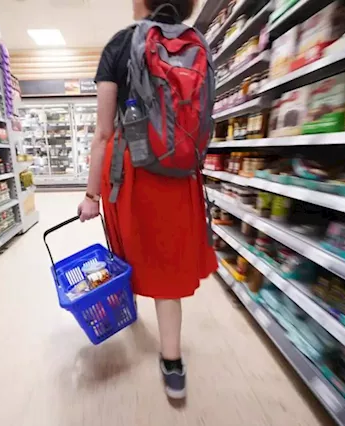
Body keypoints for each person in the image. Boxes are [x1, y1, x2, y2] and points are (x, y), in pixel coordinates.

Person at [77, 0, 217, 400]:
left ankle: (128, 311)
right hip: (179, 174)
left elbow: (104, 132)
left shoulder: (120, 45)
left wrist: (90, 195)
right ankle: (172, 364)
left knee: (128, 251)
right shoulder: (200, 46)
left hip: (131, 171)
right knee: (168, 265)